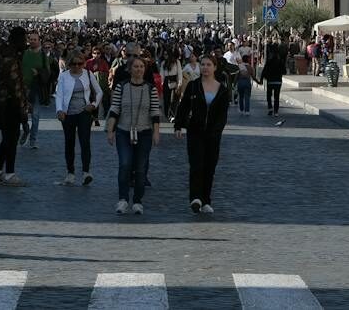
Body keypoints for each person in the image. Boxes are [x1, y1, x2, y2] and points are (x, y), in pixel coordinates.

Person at [174, 54, 230, 215]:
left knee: (209, 167)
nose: (205, 68)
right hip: (195, 131)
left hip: (213, 135)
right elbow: (183, 107)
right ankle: (195, 198)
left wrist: (216, 131)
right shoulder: (193, 86)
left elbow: (222, 115)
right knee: (196, 165)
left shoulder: (222, 90)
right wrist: (178, 125)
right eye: (203, 65)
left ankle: (206, 200)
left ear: (215, 67)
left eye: (208, 65)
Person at [105, 54, 161, 215]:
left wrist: (156, 132)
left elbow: (155, 112)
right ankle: (123, 199)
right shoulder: (121, 87)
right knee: (125, 164)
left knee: (141, 168)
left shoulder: (151, 89)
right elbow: (114, 109)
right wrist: (110, 130)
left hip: (144, 132)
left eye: (141, 67)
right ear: (130, 69)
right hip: (123, 131)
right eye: (135, 67)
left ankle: (137, 200)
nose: (139, 69)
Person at [0, 26, 30, 185]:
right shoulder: (11, 57)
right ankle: (9, 173)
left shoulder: (2, 53)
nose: (26, 42)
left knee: (7, 137)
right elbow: (14, 84)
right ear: (18, 39)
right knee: (12, 138)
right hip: (9, 102)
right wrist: (23, 106)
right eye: (24, 38)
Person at [54, 50, 101, 186]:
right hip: (67, 113)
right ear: (69, 64)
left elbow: (99, 92)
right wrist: (59, 110)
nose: (76, 66)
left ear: (83, 63)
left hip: (84, 113)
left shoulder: (88, 74)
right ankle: (70, 173)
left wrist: (93, 104)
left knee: (84, 142)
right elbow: (59, 94)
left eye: (80, 64)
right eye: (73, 64)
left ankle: (86, 172)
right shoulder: (63, 76)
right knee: (69, 143)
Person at [260, 41, 286, 117]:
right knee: (276, 97)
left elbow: (264, 71)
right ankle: (276, 111)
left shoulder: (269, 61)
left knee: (269, 96)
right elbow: (284, 71)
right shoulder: (280, 61)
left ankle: (270, 108)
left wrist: (261, 79)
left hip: (270, 81)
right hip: (278, 81)